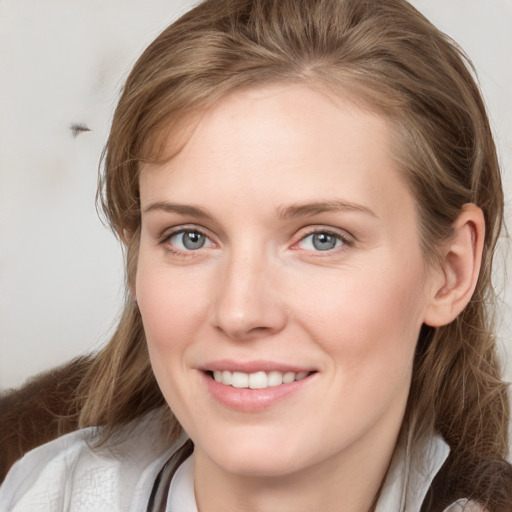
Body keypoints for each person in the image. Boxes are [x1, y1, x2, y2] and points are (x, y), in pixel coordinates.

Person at [0, 0, 511, 510]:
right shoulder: (40, 494)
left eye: (322, 239)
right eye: (190, 237)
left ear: (450, 270)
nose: (239, 312)